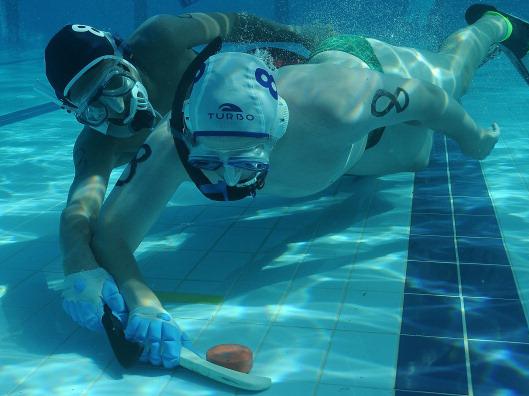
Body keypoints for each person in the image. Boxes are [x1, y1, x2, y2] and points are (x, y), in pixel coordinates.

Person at [89, 4, 529, 368]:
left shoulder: (338, 105)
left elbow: (430, 100)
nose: (225, 181)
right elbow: (111, 232)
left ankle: (495, 26)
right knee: (415, 158)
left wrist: (474, 140)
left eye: (242, 165)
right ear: (186, 131)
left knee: (454, 79)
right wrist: (142, 298)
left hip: (361, 69)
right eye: (208, 163)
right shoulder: (175, 136)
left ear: (278, 125)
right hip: (347, 159)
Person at [42, 12, 331, 337]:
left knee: (327, 88)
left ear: (125, 58)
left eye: (113, 84)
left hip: (250, 90)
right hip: (230, 163)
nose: (118, 110)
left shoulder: (160, 39)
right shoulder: (97, 144)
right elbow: (79, 211)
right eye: (94, 109)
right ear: (78, 115)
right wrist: (78, 266)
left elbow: (231, 23)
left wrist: (296, 33)